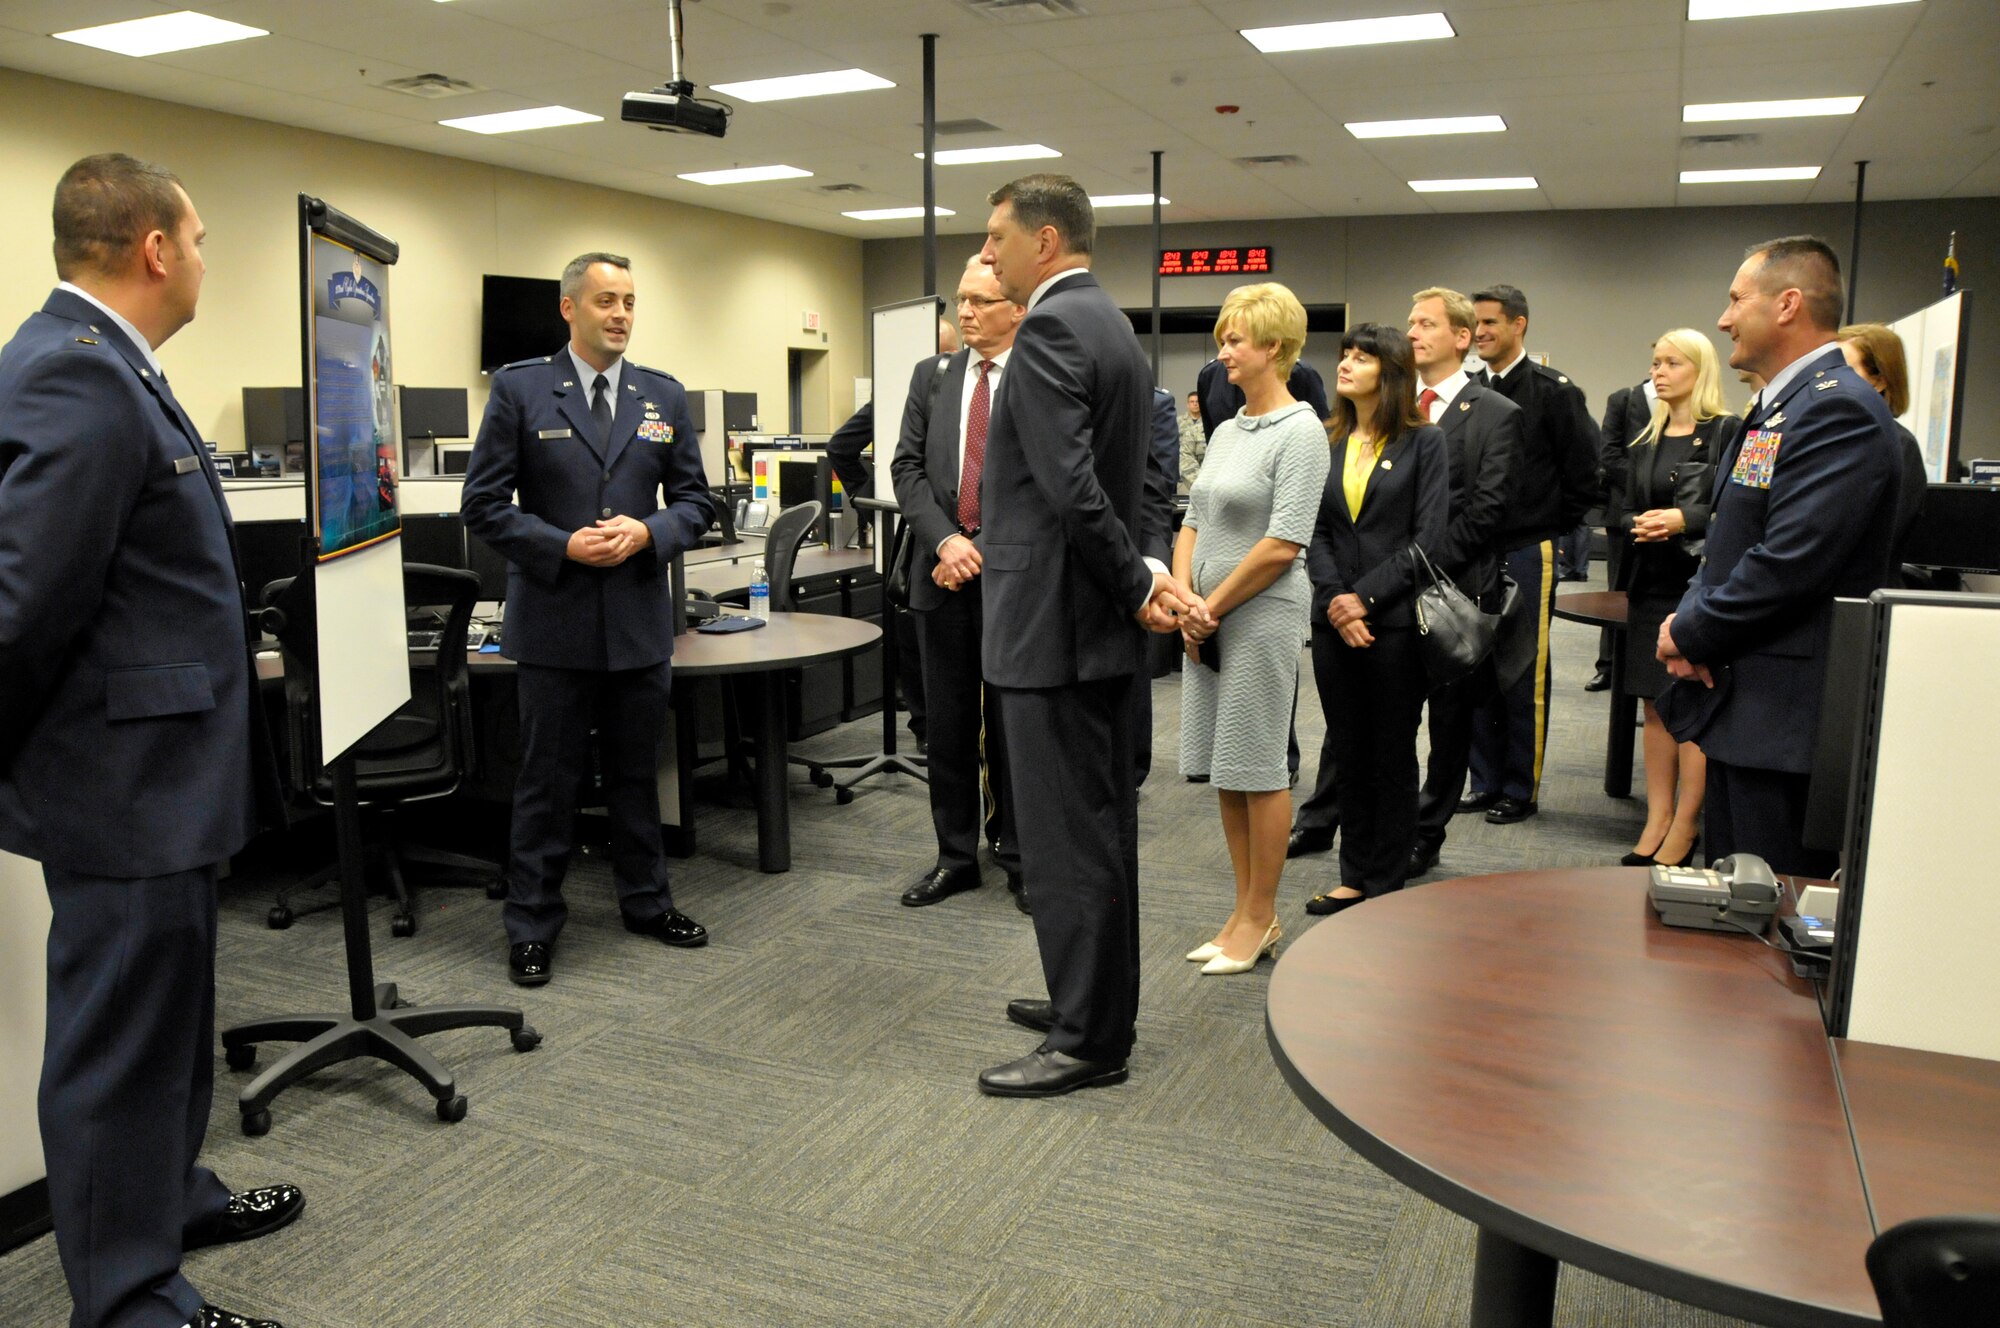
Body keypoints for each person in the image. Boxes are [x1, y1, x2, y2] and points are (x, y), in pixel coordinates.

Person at [0, 153, 298, 1328]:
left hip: (165, 774)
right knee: (119, 1048)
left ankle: (166, 1198)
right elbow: (21, 607)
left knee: (170, 1024)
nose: (207, 259)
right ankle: (128, 1300)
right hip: (118, 784)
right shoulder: (72, 375)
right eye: (205, 237)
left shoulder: (115, 366)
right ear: (156, 249)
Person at [972, 173, 1189, 1097]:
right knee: (1097, 835)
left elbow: (1068, 488)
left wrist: (1136, 576)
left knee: (1067, 844)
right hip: (1087, 625)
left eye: (997, 240)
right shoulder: (1113, 326)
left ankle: (1088, 1041)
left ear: (1046, 241)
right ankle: (1092, 1005)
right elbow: (1137, 482)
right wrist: (1139, 573)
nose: (988, 256)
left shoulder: (1055, 327)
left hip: (1053, 629)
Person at [462, 252, 714, 986]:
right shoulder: (521, 389)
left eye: (630, 301)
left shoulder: (661, 395)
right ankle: (532, 923)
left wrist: (649, 533)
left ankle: (646, 902)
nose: (621, 315)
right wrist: (561, 544)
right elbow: (481, 506)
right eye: (606, 300)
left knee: (639, 776)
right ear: (569, 309)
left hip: (637, 621)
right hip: (555, 622)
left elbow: (697, 503)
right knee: (548, 781)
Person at [1658, 236, 1900, 878]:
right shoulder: (1780, 408)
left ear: (1788, 304)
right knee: (1736, 901)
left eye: (1737, 299)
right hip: (1747, 701)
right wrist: (1689, 620)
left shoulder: (1837, 409)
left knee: (1771, 924)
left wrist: (1689, 630)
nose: (1724, 318)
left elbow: (1789, 560)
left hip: (1787, 718)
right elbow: (1727, 541)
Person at [1175, 283, 1330, 974]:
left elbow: (1283, 543)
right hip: (1204, 620)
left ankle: (1263, 914)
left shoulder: (1302, 431)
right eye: (1223, 340)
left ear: (1274, 347)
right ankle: (1241, 913)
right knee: (1226, 770)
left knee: (1260, 767)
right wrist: (1183, 597)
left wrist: (1212, 606)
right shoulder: (1230, 428)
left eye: (1236, 340)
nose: (1224, 353)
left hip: (1259, 615)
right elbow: (1194, 518)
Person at [889, 255, 1028, 913]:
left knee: (1010, 726)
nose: (964, 314)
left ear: (1017, 309)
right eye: (959, 302)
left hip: (1012, 585)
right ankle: (954, 856)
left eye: (980, 301)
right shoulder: (933, 376)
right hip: (939, 577)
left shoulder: (1035, 377)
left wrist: (981, 551)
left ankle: (1019, 855)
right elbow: (907, 468)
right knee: (945, 727)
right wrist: (945, 540)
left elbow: (1041, 488)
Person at [1302, 323, 1450, 914]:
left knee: (1390, 751)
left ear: (1389, 373)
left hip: (1391, 624)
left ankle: (1385, 880)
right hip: (1332, 620)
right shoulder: (1326, 436)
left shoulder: (1425, 442)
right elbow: (1314, 530)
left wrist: (1363, 599)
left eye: (1361, 358)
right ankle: (1353, 871)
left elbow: (1430, 538)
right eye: (1344, 355)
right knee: (1347, 748)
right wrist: (1337, 599)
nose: (1346, 365)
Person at [1462, 283, 1602, 825]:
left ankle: (1520, 786)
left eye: (1491, 323)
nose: (1480, 333)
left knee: (1521, 671)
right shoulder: (1472, 390)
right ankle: (1483, 779)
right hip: (1475, 550)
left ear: (1520, 325)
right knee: (1474, 664)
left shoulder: (1553, 391)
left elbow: (1584, 477)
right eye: (1476, 324)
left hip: (1526, 548)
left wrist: (1550, 529)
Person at [1607, 328, 1741, 869]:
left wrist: (1684, 519)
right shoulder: (1647, 436)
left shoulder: (1726, 431)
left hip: (1696, 586)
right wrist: (1637, 522)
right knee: (1653, 704)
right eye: (1655, 361)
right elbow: (1614, 510)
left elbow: (1737, 511)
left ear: (1700, 369)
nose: (1658, 372)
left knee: (1690, 705)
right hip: (1648, 583)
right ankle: (1657, 818)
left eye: (1671, 363)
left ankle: (1686, 825)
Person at [1403, 288, 1523, 880]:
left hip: (1454, 593)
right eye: (1409, 323)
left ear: (1460, 336)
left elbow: (1487, 512)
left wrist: (1413, 565)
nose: (1413, 332)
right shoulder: (1394, 405)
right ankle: (1378, 820)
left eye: (1426, 323)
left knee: (1448, 727)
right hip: (1387, 594)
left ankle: (1428, 831)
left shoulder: (1496, 412)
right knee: (1386, 718)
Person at [1835, 322, 1931, 574]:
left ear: (1879, 381)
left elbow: (1877, 538)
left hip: (1859, 598)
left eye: (1844, 369)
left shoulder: (1901, 447)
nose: (1830, 379)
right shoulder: (1830, 438)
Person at [1585, 375, 1654, 692]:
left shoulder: (1693, 408)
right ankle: (1608, 665)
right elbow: (1609, 456)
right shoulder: (1624, 399)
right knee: (1617, 590)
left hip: (1671, 516)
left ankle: (1646, 665)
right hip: (1624, 512)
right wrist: (1648, 481)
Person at [1178, 389, 1206, 493]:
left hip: (1202, 465)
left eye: (1197, 401)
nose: (1195, 404)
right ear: (1187, 404)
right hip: (1183, 463)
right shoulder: (1179, 421)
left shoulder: (1207, 422)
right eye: (1192, 402)